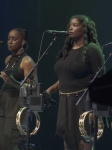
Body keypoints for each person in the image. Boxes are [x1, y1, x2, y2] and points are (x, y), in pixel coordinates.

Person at [45, 15, 105, 150]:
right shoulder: (67, 51)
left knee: (84, 143)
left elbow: (100, 80)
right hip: (65, 103)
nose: (70, 28)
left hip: (83, 103)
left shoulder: (92, 49)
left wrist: (93, 109)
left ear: (84, 29)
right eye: (69, 25)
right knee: (68, 144)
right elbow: (65, 79)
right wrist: (50, 90)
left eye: (75, 25)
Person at [0, 28, 37, 150]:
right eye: (9, 39)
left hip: (17, 103)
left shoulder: (27, 61)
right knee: (0, 141)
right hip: (4, 102)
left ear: (23, 42)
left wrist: (12, 82)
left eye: (14, 39)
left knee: (12, 140)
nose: (10, 42)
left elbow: (33, 87)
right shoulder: (8, 59)